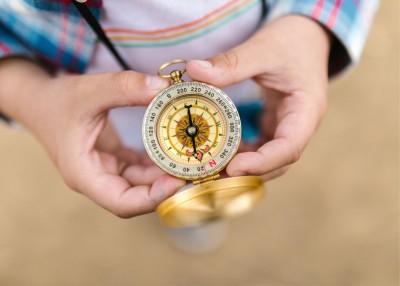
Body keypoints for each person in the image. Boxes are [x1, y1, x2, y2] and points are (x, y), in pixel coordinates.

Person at [0, 0, 378, 219]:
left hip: (262, 79)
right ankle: (194, 204)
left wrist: (309, 24)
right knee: (157, 178)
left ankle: (202, 195)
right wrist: (32, 96)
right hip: (116, 125)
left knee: (249, 140)